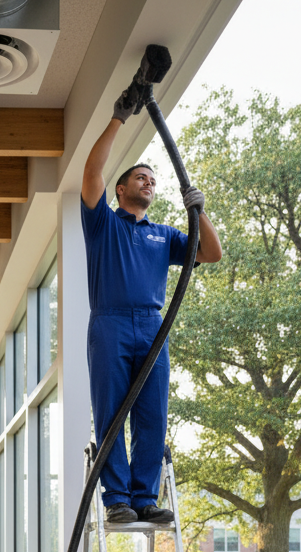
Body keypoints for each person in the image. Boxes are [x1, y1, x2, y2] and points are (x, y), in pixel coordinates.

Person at [81, 90, 222, 523]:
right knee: (111, 415)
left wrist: (199, 211)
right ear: (121, 189)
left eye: (153, 179)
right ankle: (117, 500)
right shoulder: (103, 222)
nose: (149, 181)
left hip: (153, 326)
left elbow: (212, 253)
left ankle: (145, 498)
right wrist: (118, 118)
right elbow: (91, 170)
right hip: (110, 324)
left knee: (152, 416)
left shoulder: (165, 235)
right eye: (140, 177)